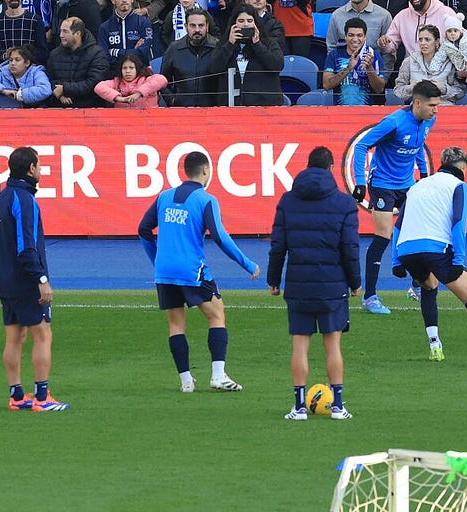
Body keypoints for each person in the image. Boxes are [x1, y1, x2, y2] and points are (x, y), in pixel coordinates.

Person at [137, 150, 261, 394]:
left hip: (164, 271)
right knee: (216, 314)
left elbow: (143, 229)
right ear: (205, 170)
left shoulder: (164, 196)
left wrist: (157, 259)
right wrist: (247, 263)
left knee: (176, 324)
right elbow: (219, 237)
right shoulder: (206, 200)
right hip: (192, 271)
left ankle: (185, 381)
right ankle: (218, 375)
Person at [267, 146, 362, 421]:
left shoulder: (287, 201)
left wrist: (274, 279)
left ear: (307, 167)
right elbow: (350, 248)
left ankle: (298, 407)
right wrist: (355, 282)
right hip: (332, 285)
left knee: (300, 344)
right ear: (332, 168)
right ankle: (338, 406)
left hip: (298, 283)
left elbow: (278, 246)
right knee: (333, 345)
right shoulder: (345, 204)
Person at [393, 146, 467, 367]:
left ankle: (435, 348)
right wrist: (458, 260)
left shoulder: (417, 186)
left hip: (407, 250)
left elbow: (397, 226)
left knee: (429, 287)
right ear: (463, 165)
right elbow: (458, 223)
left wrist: (396, 260)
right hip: (435, 248)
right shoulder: (459, 186)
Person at [349, 81, 441, 313]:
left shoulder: (429, 120)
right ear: (417, 103)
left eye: (438, 105)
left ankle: (416, 285)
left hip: (407, 184)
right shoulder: (394, 122)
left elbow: (419, 145)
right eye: (432, 105)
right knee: (383, 236)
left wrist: (424, 174)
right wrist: (359, 182)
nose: (436, 110)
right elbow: (361, 146)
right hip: (382, 184)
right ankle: (369, 297)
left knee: (419, 232)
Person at [0, 146, 68, 412]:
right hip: (26, 281)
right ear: (31, 168)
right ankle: (42, 398)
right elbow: (26, 245)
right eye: (40, 165)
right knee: (43, 333)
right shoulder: (25, 200)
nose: (42, 170)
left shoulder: (1, 198)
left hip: (5, 280)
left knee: (14, 337)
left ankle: (17, 396)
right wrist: (41, 278)